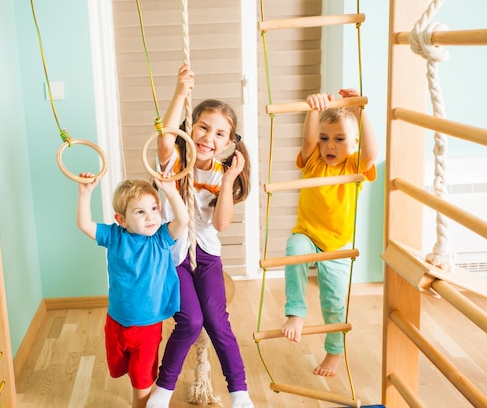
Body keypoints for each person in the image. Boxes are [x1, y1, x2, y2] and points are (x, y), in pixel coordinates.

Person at [147, 64, 254, 408]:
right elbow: (165, 138)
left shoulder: (225, 172)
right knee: (191, 321)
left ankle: (240, 394)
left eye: (219, 134)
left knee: (216, 322)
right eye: (203, 127)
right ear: (189, 128)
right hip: (172, 254)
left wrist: (227, 182)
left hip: (205, 254)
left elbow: (221, 224)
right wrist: (180, 91)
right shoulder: (176, 159)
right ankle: (161, 393)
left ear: (229, 142)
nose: (209, 138)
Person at [280, 89, 378, 377]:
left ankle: (334, 352)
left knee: (334, 302)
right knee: (295, 248)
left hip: (338, 243)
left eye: (339, 139)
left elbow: (372, 152)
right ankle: (295, 311)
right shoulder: (313, 163)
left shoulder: (355, 165)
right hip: (307, 233)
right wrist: (314, 109)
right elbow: (309, 140)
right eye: (325, 138)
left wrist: (360, 109)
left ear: (354, 142)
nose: (329, 145)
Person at [76, 172, 189, 408]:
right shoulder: (114, 237)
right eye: (140, 212)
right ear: (122, 220)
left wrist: (170, 191)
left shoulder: (161, 238)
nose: (151, 217)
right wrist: (85, 194)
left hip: (147, 327)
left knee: (142, 383)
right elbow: (84, 224)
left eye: (154, 209)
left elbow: (183, 220)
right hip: (116, 322)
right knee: (120, 368)